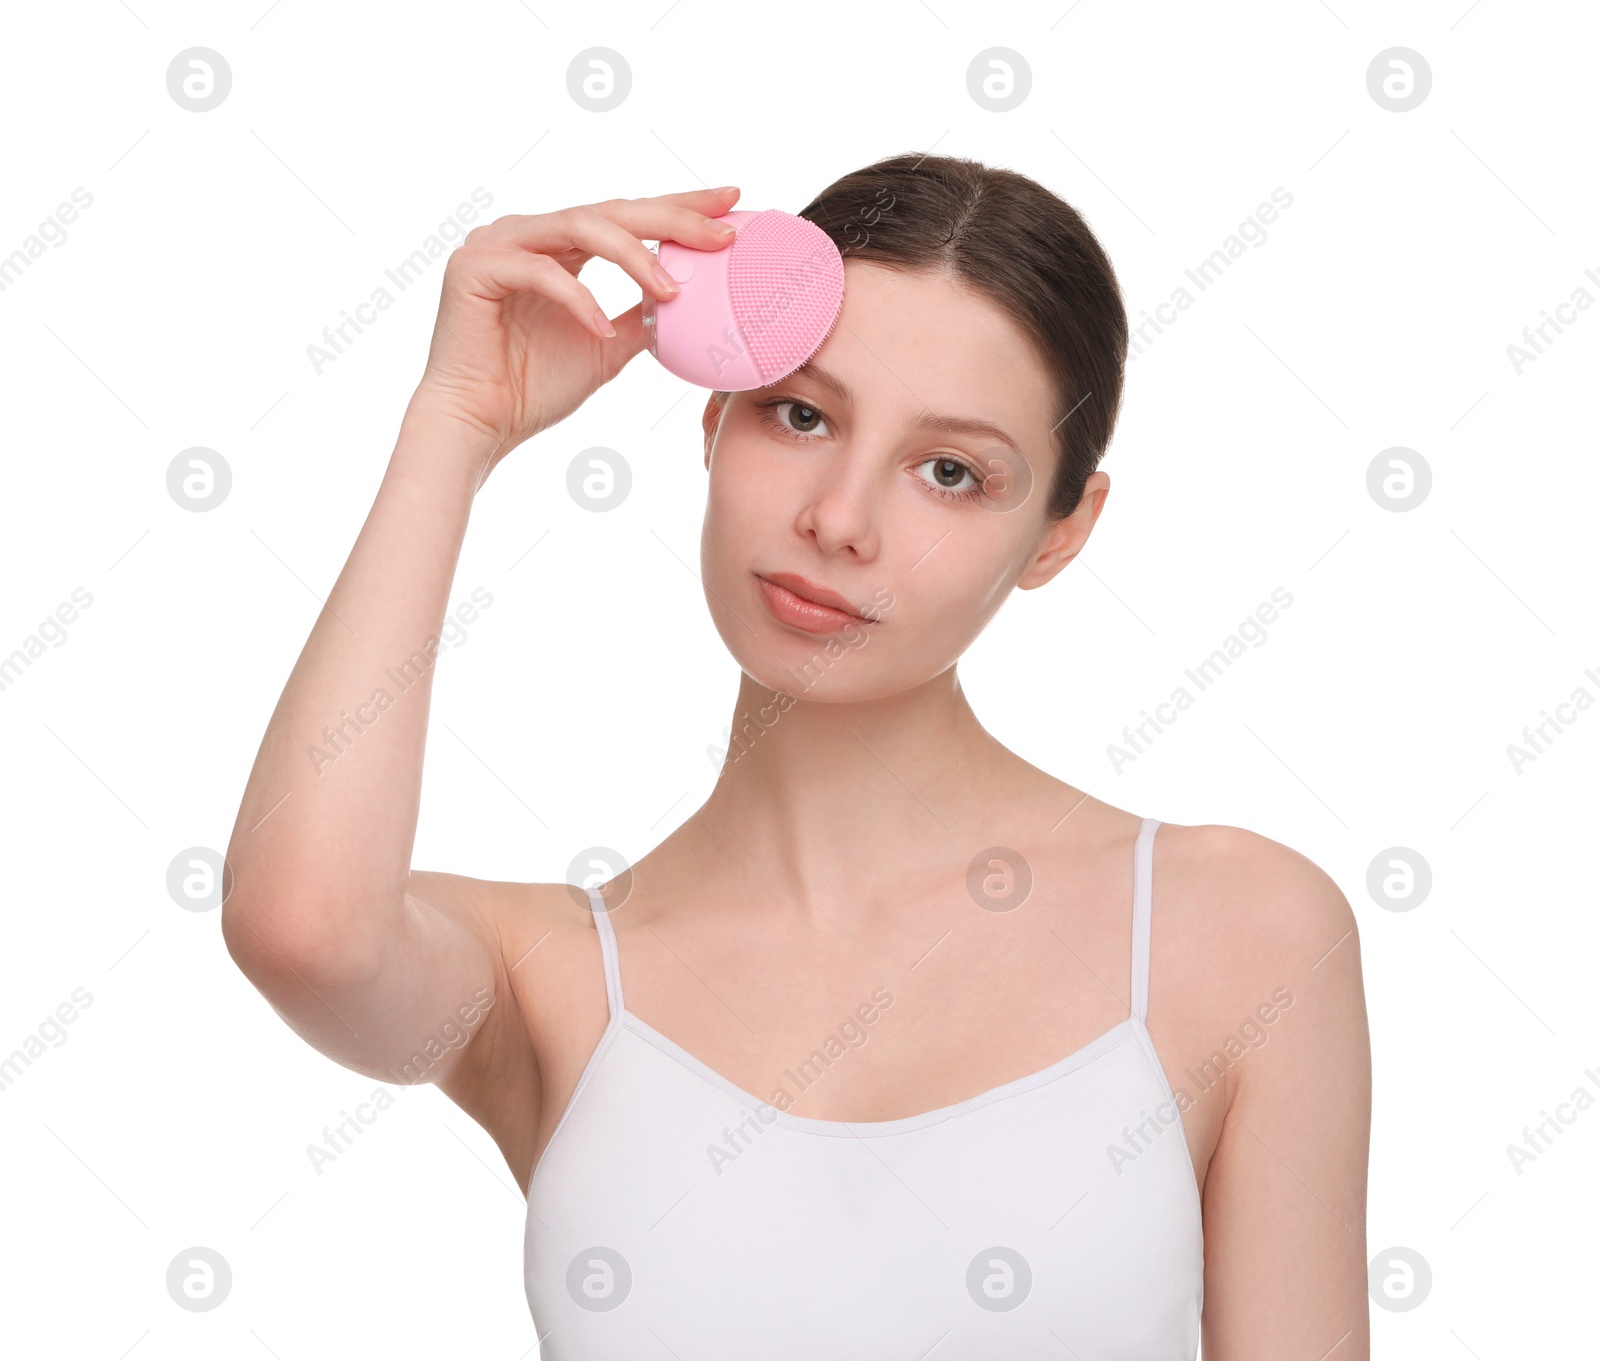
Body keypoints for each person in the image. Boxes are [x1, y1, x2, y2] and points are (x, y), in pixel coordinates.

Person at [222, 152, 1371, 1358]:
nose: (839, 519)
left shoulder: (1239, 930)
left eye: (950, 472)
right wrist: (453, 425)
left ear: (1058, 535)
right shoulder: (555, 978)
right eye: (802, 413)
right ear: (714, 416)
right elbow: (303, 927)